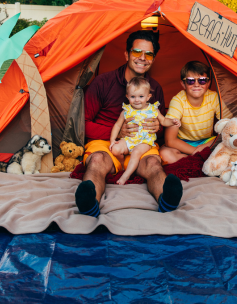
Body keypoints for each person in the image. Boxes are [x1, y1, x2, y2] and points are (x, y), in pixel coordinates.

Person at [75, 30, 183, 217]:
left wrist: (157, 128)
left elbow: (160, 126)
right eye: (136, 52)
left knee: (153, 163)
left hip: (142, 142)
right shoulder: (102, 82)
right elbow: (83, 124)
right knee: (97, 160)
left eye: (148, 54)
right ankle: (90, 204)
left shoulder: (155, 88)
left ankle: (167, 200)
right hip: (109, 143)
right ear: (126, 54)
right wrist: (117, 133)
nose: (142, 58)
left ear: (153, 59)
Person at [109, 76, 181, 185]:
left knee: (136, 153)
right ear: (127, 96)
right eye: (133, 96)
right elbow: (117, 125)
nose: (137, 100)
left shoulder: (153, 109)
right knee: (115, 149)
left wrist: (173, 122)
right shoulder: (126, 111)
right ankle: (123, 164)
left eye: (141, 96)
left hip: (144, 141)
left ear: (148, 97)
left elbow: (163, 121)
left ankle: (126, 175)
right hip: (129, 140)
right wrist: (112, 140)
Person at [160, 61, 228, 164]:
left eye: (202, 81)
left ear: (208, 83)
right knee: (165, 155)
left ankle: (193, 161)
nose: (196, 85)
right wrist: (197, 152)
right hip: (183, 142)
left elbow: (230, 125)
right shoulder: (178, 100)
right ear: (183, 84)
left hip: (207, 142)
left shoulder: (213, 97)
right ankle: (202, 161)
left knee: (227, 141)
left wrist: (204, 147)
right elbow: (170, 140)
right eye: (191, 81)